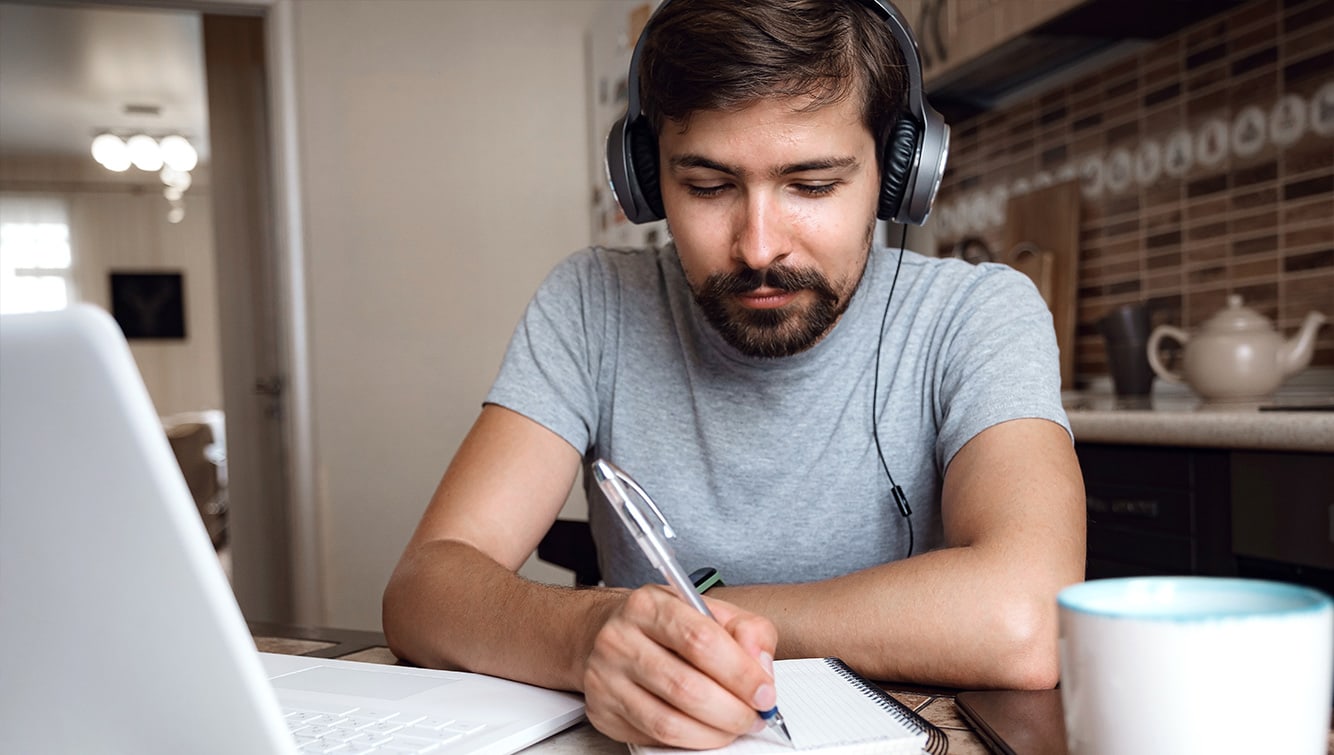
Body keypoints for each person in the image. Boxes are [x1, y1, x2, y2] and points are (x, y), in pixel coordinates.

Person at [382, 0, 1086, 749]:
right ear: (648, 181)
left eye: (811, 185)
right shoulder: (591, 303)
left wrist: (681, 622)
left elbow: (1025, 616)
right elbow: (425, 589)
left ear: (896, 172)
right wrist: (592, 630)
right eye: (709, 186)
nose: (758, 247)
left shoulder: (979, 312)